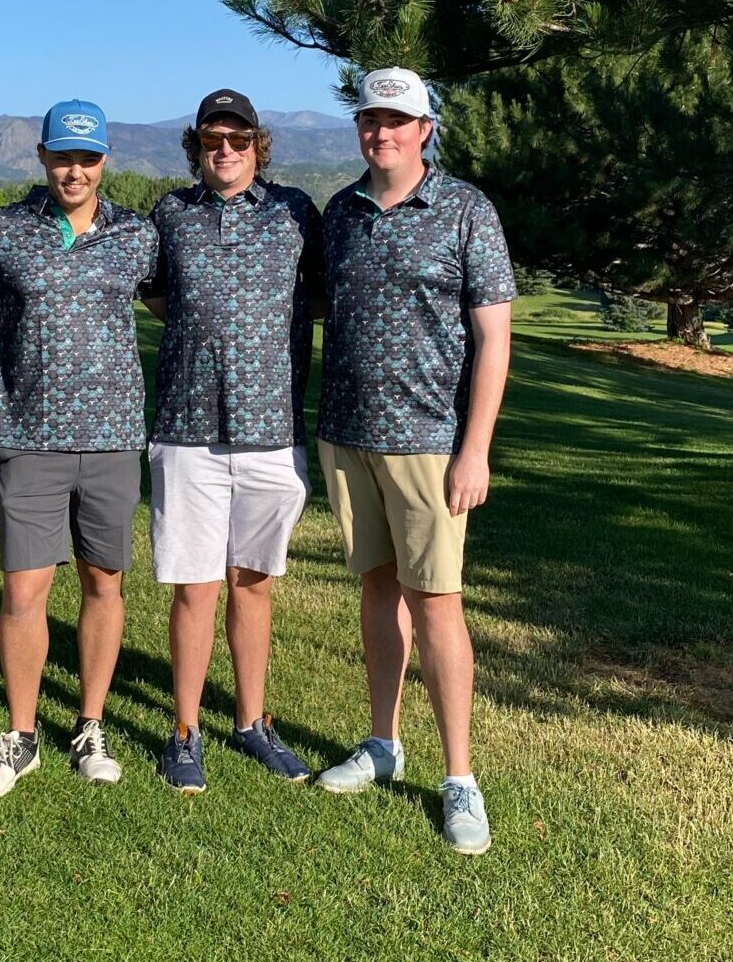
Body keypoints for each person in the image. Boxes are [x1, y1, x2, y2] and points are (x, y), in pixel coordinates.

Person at [312, 67, 515, 856]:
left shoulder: (465, 210)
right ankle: (381, 742)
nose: (381, 132)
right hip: (348, 433)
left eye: (398, 120)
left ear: (426, 128)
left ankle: (460, 776)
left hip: (431, 442)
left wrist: (475, 448)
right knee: (377, 589)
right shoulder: (342, 211)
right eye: (370, 118)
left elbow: (494, 337)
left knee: (438, 605)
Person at [0, 100, 157, 798]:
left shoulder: (138, 235)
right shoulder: (2, 230)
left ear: (105, 161)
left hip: (111, 438)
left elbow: (172, 304)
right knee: (23, 589)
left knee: (104, 583)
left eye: (88, 158)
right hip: (28, 435)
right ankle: (21, 735)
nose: (74, 170)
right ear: (41, 156)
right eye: (62, 156)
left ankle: (90, 723)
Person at [142, 90, 321, 794]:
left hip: (272, 430)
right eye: (213, 139)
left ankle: (251, 723)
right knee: (195, 588)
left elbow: (322, 294)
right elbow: (158, 295)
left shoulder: (295, 212)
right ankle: (184, 731)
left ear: (257, 145)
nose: (226, 150)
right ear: (196, 145)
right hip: (187, 431)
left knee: (253, 584)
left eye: (238, 140)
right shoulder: (171, 214)